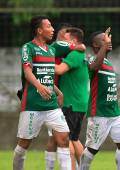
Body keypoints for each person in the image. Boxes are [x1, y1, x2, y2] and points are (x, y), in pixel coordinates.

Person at [13, 16, 71, 170]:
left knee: (64, 139)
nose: (52, 29)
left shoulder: (51, 50)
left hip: (51, 104)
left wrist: (59, 92)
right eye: (49, 26)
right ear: (39, 30)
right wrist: (38, 86)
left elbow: (47, 76)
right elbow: (28, 72)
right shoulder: (28, 48)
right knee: (24, 144)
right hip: (33, 104)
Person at [79, 28, 120, 170]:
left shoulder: (108, 62)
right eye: (103, 40)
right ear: (96, 45)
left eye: (108, 39)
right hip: (99, 113)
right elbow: (94, 67)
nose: (108, 41)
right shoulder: (91, 59)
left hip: (115, 113)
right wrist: (104, 47)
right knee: (92, 149)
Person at [46, 23, 86, 170]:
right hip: (78, 103)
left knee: (65, 140)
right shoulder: (77, 53)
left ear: (73, 41)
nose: (65, 43)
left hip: (71, 103)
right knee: (74, 139)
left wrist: (40, 64)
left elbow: (60, 70)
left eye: (67, 40)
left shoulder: (75, 54)